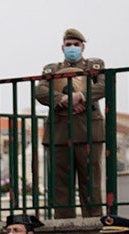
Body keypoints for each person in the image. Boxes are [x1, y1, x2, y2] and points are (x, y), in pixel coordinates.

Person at [35, 28, 105, 219]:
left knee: (91, 182)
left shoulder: (95, 66)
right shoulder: (52, 70)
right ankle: (63, 225)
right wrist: (63, 100)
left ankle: (93, 223)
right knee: (60, 184)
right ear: (62, 47)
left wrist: (80, 97)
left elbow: (104, 85)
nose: (72, 48)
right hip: (59, 131)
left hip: (88, 131)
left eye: (76, 45)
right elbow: (40, 91)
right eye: (68, 45)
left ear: (82, 47)